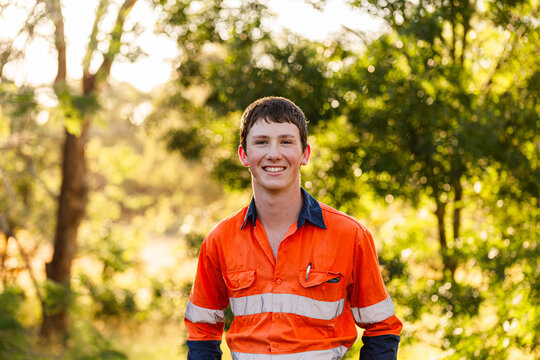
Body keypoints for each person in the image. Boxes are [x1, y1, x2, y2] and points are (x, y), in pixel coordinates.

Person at [184, 96, 402, 359]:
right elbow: (202, 330)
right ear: (244, 155)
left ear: (304, 153)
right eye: (261, 142)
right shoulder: (219, 239)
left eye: (286, 142)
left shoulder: (350, 235)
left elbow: (382, 328)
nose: (274, 153)